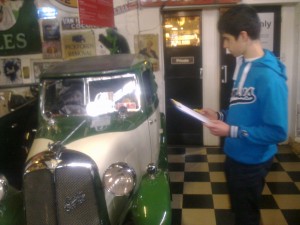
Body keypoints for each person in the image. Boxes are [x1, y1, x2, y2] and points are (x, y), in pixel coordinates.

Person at [199, 4, 288, 225]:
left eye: (227, 39)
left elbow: (278, 132)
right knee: (239, 211)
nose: (225, 45)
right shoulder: (243, 65)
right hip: (235, 154)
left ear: (244, 36)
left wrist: (231, 130)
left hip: (252, 162)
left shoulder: (269, 77)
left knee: (247, 216)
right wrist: (219, 115)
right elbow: (242, 109)